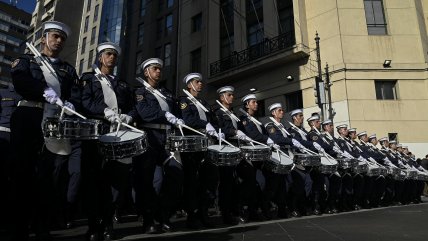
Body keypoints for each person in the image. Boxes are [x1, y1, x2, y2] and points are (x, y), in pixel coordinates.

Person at [9, 21, 78, 241]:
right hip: (29, 116)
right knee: (23, 172)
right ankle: (19, 226)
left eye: (62, 38)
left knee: (50, 175)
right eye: (55, 36)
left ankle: (41, 224)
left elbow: (75, 92)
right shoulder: (27, 60)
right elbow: (20, 81)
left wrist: (72, 104)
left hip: (55, 122)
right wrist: (43, 91)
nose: (58, 41)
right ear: (43, 38)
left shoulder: (68, 69)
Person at [80, 42, 135, 241]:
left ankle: (108, 222)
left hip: (118, 133)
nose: (112, 57)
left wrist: (129, 116)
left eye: (114, 55)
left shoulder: (122, 84)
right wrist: (103, 111)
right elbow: (84, 101)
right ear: (100, 57)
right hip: (97, 131)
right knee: (95, 180)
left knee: (116, 180)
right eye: (108, 54)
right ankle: (93, 225)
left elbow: (132, 106)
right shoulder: (89, 79)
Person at [133, 58, 183, 233]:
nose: (159, 72)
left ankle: (164, 215)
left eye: (160, 69)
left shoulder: (167, 93)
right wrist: (165, 115)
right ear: (146, 72)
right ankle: (149, 219)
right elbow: (145, 113)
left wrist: (178, 119)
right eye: (155, 69)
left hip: (168, 137)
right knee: (149, 180)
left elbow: (177, 113)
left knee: (175, 175)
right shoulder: (140, 92)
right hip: (150, 136)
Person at [179, 73, 220, 228]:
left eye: (201, 82)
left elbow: (213, 120)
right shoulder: (184, 101)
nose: (201, 84)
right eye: (197, 82)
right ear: (190, 85)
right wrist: (204, 124)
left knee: (208, 181)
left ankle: (203, 213)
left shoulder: (204, 102)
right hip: (194, 146)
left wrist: (216, 129)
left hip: (208, 144)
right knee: (193, 182)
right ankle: (192, 216)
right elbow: (187, 119)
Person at [214, 86, 247, 224]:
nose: (232, 97)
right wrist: (233, 132)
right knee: (227, 182)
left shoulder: (233, 113)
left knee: (237, 181)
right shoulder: (218, 113)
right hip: (226, 148)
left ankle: (236, 210)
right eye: (229, 95)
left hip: (237, 148)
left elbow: (241, 130)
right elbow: (219, 129)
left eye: (233, 95)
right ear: (222, 97)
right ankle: (225, 212)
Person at [0, 83, 21, 232]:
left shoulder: (29, 94)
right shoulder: (3, 92)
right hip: (3, 135)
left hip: (21, 139)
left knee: (16, 178)